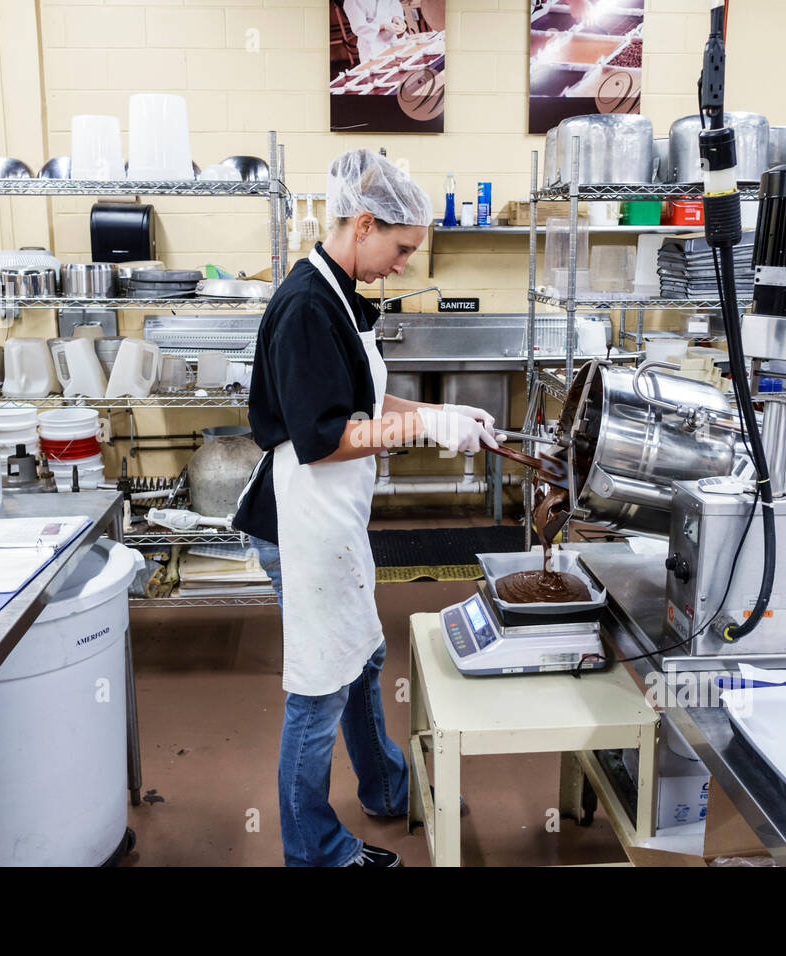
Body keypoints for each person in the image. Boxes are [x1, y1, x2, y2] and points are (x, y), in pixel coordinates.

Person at [234, 149, 501, 867]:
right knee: (321, 685)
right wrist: (420, 429)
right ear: (363, 223)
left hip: (331, 516)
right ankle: (314, 852)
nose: (403, 265)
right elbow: (325, 439)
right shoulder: (304, 305)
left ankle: (384, 785)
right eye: (401, 248)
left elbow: (360, 397)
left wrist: (444, 412)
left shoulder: (339, 293)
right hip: (299, 517)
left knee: (363, 654)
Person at [343, 0, 408, 63]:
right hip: (373, 46)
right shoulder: (351, 1)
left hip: (392, 40)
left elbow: (394, 5)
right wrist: (384, 26)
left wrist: (397, 18)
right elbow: (359, 27)